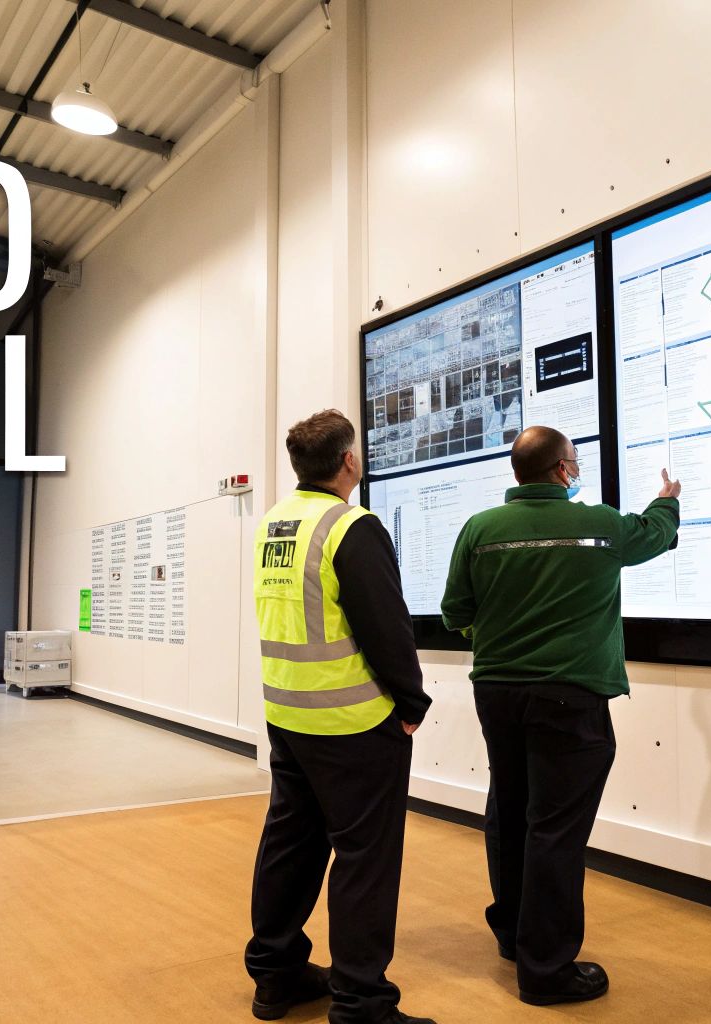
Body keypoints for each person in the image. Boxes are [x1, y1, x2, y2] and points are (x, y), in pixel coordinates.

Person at [439, 425, 680, 1007]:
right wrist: (668, 500)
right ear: (563, 471)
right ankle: (545, 970)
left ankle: (514, 935)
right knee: (556, 828)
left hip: (497, 693)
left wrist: (499, 636)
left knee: (511, 810)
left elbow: (455, 613)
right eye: (574, 463)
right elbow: (655, 534)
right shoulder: (599, 524)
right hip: (571, 698)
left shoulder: (480, 529)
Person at [245, 409, 435, 1024]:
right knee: (364, 857)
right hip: (354, 724)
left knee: (291, 844)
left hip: (289, 715)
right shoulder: (352, 526)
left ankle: (275, 975)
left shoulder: (276, 522)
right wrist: (411, 703)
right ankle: (361, 1001)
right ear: (349, 461)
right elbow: (387, 628)